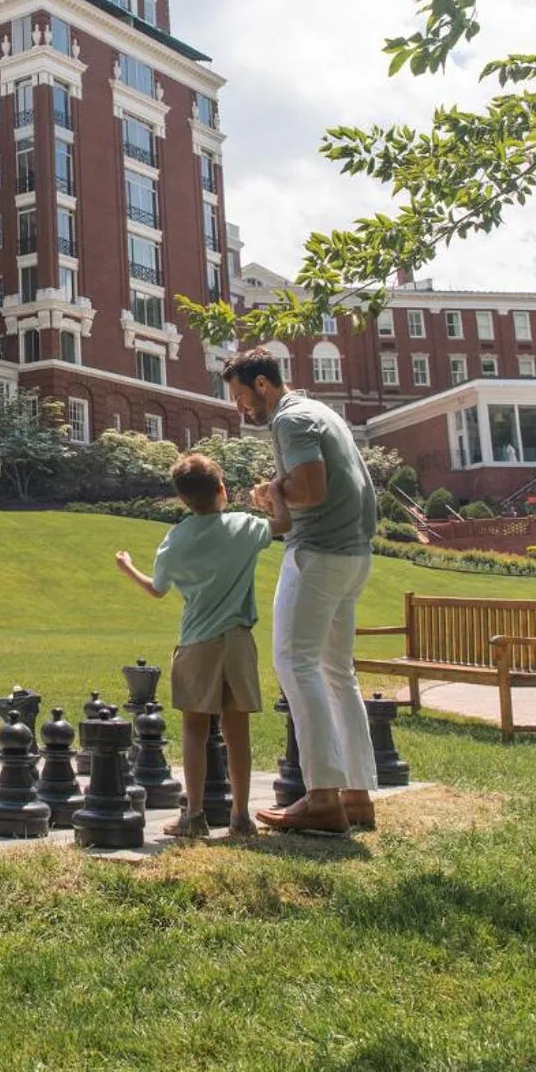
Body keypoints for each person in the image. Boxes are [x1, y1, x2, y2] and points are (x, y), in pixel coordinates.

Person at [223, 348, 378, 836]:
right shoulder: (320, 411)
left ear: (262, 384)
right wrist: (278, 487)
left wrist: (273, 492)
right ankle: (356, 795)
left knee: (295, 663)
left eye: (241, 396)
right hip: (354, 555)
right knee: (337, 673)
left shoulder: (290, 420)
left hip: (318, 554)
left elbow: (311, 490)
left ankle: (323, 797)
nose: (240, 407)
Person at [116, 452, 270, 840]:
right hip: (238, 640)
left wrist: (127, 567)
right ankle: (240, 816)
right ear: (222, 489)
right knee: (238, 732)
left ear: (183, 499)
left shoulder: (176, 540)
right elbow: (283, 523)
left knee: (194, 731)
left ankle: (195, 815)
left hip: (197, 641)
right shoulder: (244, 526)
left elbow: (157, 589)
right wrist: (270, 497)